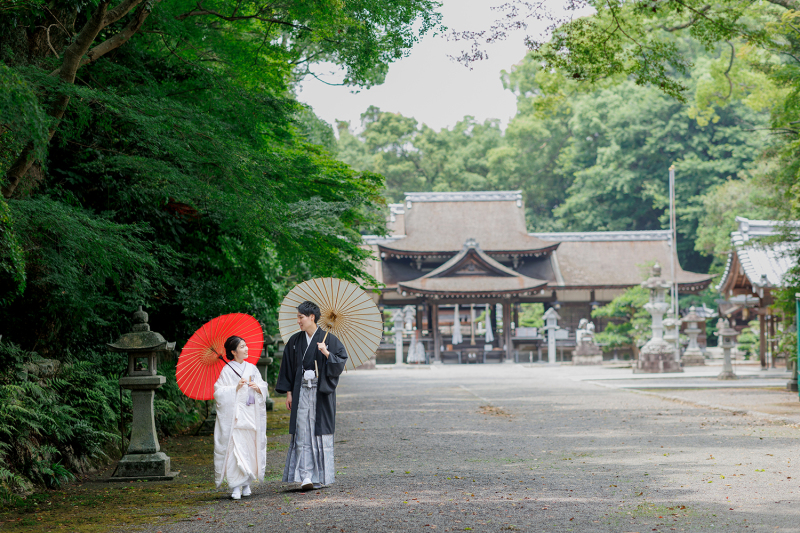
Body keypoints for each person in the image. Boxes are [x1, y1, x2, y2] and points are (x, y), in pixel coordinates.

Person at [275, 300, 348, 490]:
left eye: (301, 317)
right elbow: (288, 369)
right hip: (300, 392)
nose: (298, 321)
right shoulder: (294, 341)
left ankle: (321, 476)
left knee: (318, 431)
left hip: (320, 392)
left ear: (311, 317)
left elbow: (340, 361)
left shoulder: (329, 340)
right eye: (298, 317)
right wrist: (289, 393)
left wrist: (326, 353)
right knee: (302, 431)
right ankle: (305, 476)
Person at [213, 335, 269, 500]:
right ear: (233, 351)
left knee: (249, 447)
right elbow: (218, 391)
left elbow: (263, 386)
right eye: (242, 346)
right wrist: (234, 388)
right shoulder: (227, 370)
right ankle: (236, 486)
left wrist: (257, 387)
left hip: (250, 413)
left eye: (246, 346)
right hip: (235, 417)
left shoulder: (252, 368)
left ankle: (246, 484)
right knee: (235, 450)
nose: (246, 349)